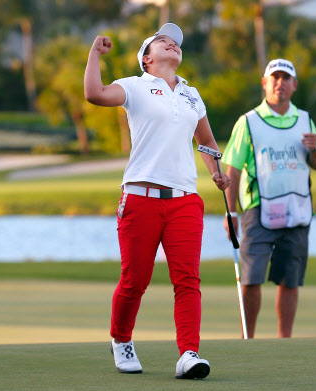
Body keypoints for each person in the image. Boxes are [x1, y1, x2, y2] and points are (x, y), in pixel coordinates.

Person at [84, 23, 230, 379]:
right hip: (140, 197)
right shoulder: (135, 86)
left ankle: (189, 354)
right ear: (147, 59)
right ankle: (121, 339)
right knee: (136, 279)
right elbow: (95, 94)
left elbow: (206, 140)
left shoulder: (192, 94)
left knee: (187, 280)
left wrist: (215, 169)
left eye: (176, 43)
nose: (172, 45)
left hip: (184, 200)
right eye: (162, 42)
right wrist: (94, 55)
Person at [222, 59, 316, 339]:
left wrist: (315, 150)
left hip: (297, 208)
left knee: (289, 278)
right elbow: (231, 168)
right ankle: (249, 339)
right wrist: (231, 213)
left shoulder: (304, 120)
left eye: (286, 78)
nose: (280, 83)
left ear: (294, 85)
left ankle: (285, 341)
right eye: (275, 78)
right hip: (258, 209)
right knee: (252, 277)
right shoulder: (248, 122)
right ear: (265, 83)